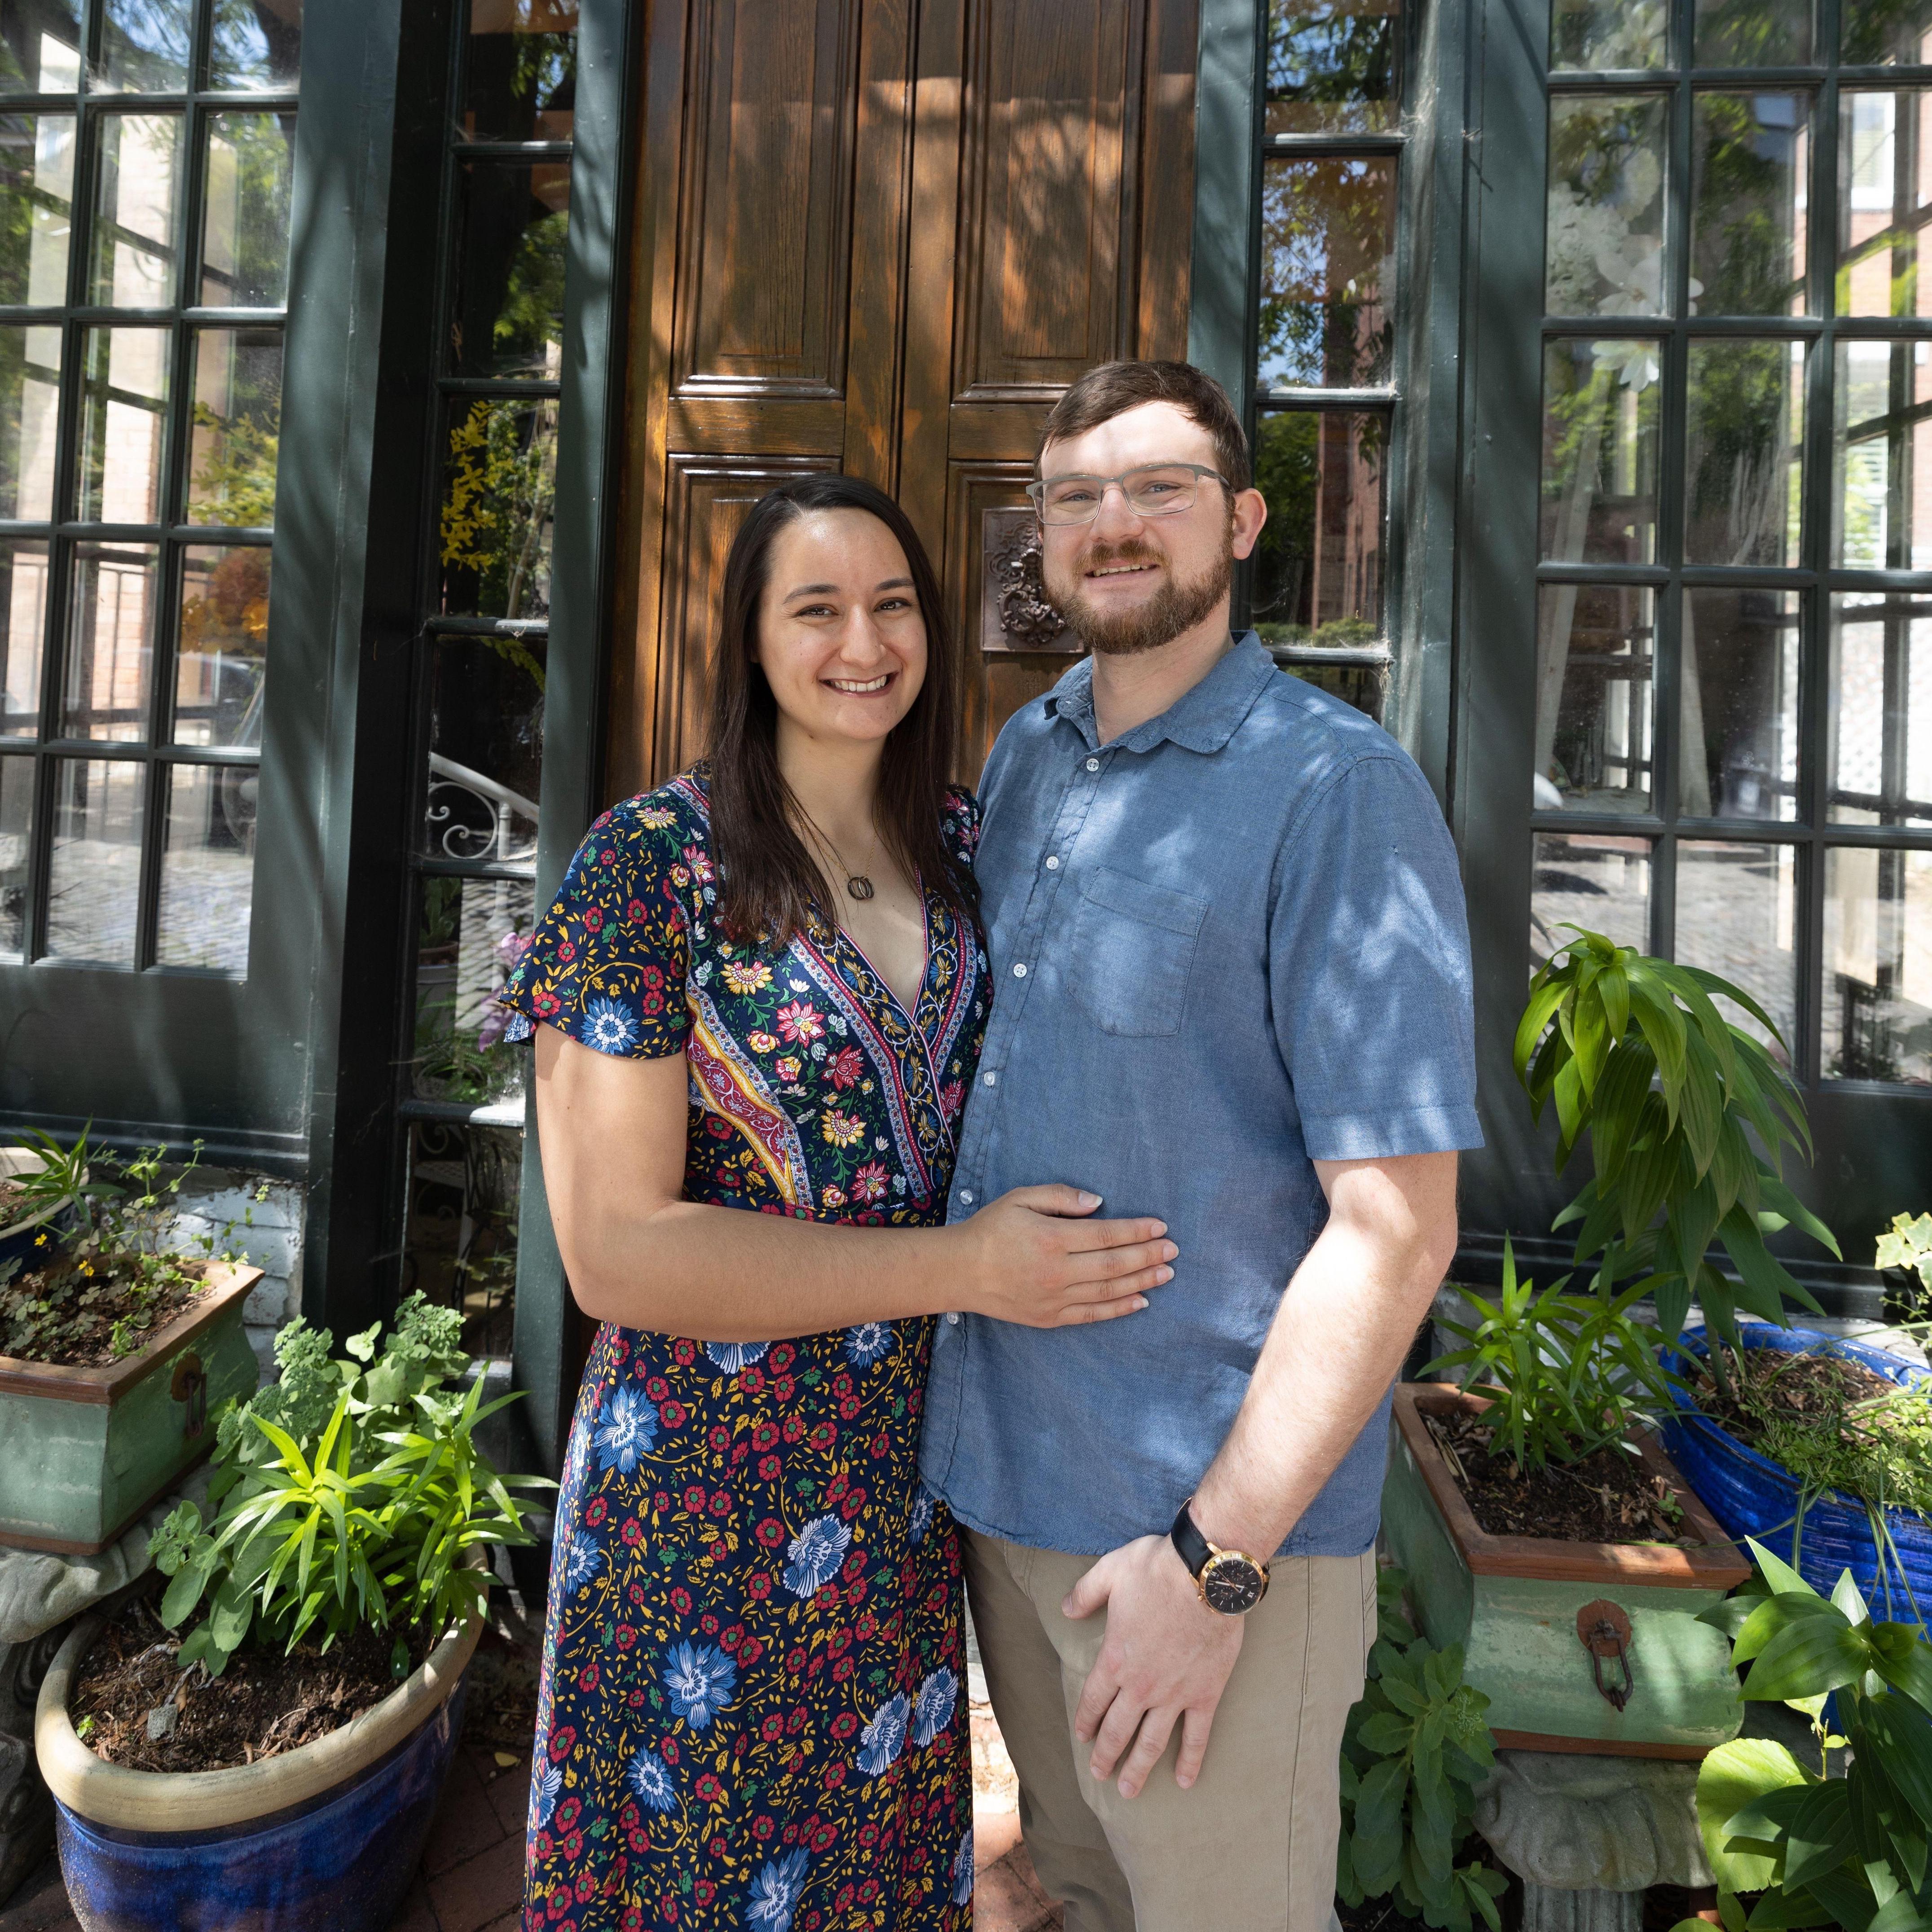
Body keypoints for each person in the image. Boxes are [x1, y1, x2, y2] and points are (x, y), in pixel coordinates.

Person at [498, 472, 1176, 1932]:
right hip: (703, 1513)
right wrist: (964, 1269)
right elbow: (616, 1252)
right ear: (749, 641)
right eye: (816, 608)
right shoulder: (648, 872)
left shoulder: (964, 848)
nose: (863, 640)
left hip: (898, 1507)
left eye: (893, 604)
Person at [921, 360, 1480, 1932]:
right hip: (1011, 1488)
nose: (1114, 526)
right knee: (1080, 1895)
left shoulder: (1336, 794)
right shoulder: (1031, 755)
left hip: (1206, 1534)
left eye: (1157, 489)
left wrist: (1216, 1564)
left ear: (1239, 523)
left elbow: (1397, 1233)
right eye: (1077, 497)